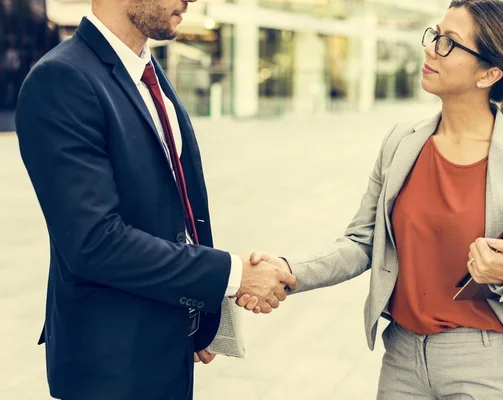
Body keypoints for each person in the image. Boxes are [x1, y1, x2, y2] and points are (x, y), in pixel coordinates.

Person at [245, 0, 503, 398]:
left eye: (449, 43)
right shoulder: (402, 142)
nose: (430, 48)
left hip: (485, 363)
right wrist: (289, 270)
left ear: (489, 73)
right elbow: (362, 242)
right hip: (402, 358)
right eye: (435, 35)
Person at [15, 1, 296, 399]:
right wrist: (233, 276)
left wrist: (200, 313)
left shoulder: (147, 71)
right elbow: (94, 243)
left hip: (168, 342)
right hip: (109, 365)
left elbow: (177, 205)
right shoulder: (61, 79)